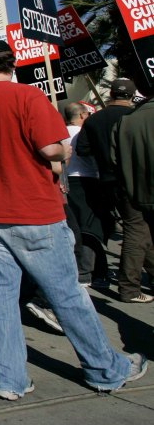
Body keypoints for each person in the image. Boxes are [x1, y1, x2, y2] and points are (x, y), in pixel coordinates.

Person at [0, 40, 147, 400]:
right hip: (34, 210)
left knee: (4, 297)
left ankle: (10, 378)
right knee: (67, 294)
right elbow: (48, 149)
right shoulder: (29, 98)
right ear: (13, 65)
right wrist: (64, 149)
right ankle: (105, 368)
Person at [76, 78, 152, 302]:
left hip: (109, 181)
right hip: (135, 180)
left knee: (140, 229)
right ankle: (129, 286)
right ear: (130, 95)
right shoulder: (132, 117)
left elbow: (83, 149)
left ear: (111, 94)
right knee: (137, 230)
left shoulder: (94, 119)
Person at [112, 83, 154, 302]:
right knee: (138, 236)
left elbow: (113, 158)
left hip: (132, 190)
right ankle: (129, 287)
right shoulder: (128, 117)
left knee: (137, 235)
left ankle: (129, 286)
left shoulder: (128, 120)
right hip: (136, 190)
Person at [63, 102, 109, 288]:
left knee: (75, 228)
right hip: (87, 180)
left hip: (66, 182)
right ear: (82, 115)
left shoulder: (60, 133)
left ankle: (91, 269)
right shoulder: (86, 132)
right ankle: (87, 272)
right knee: (90, 228)